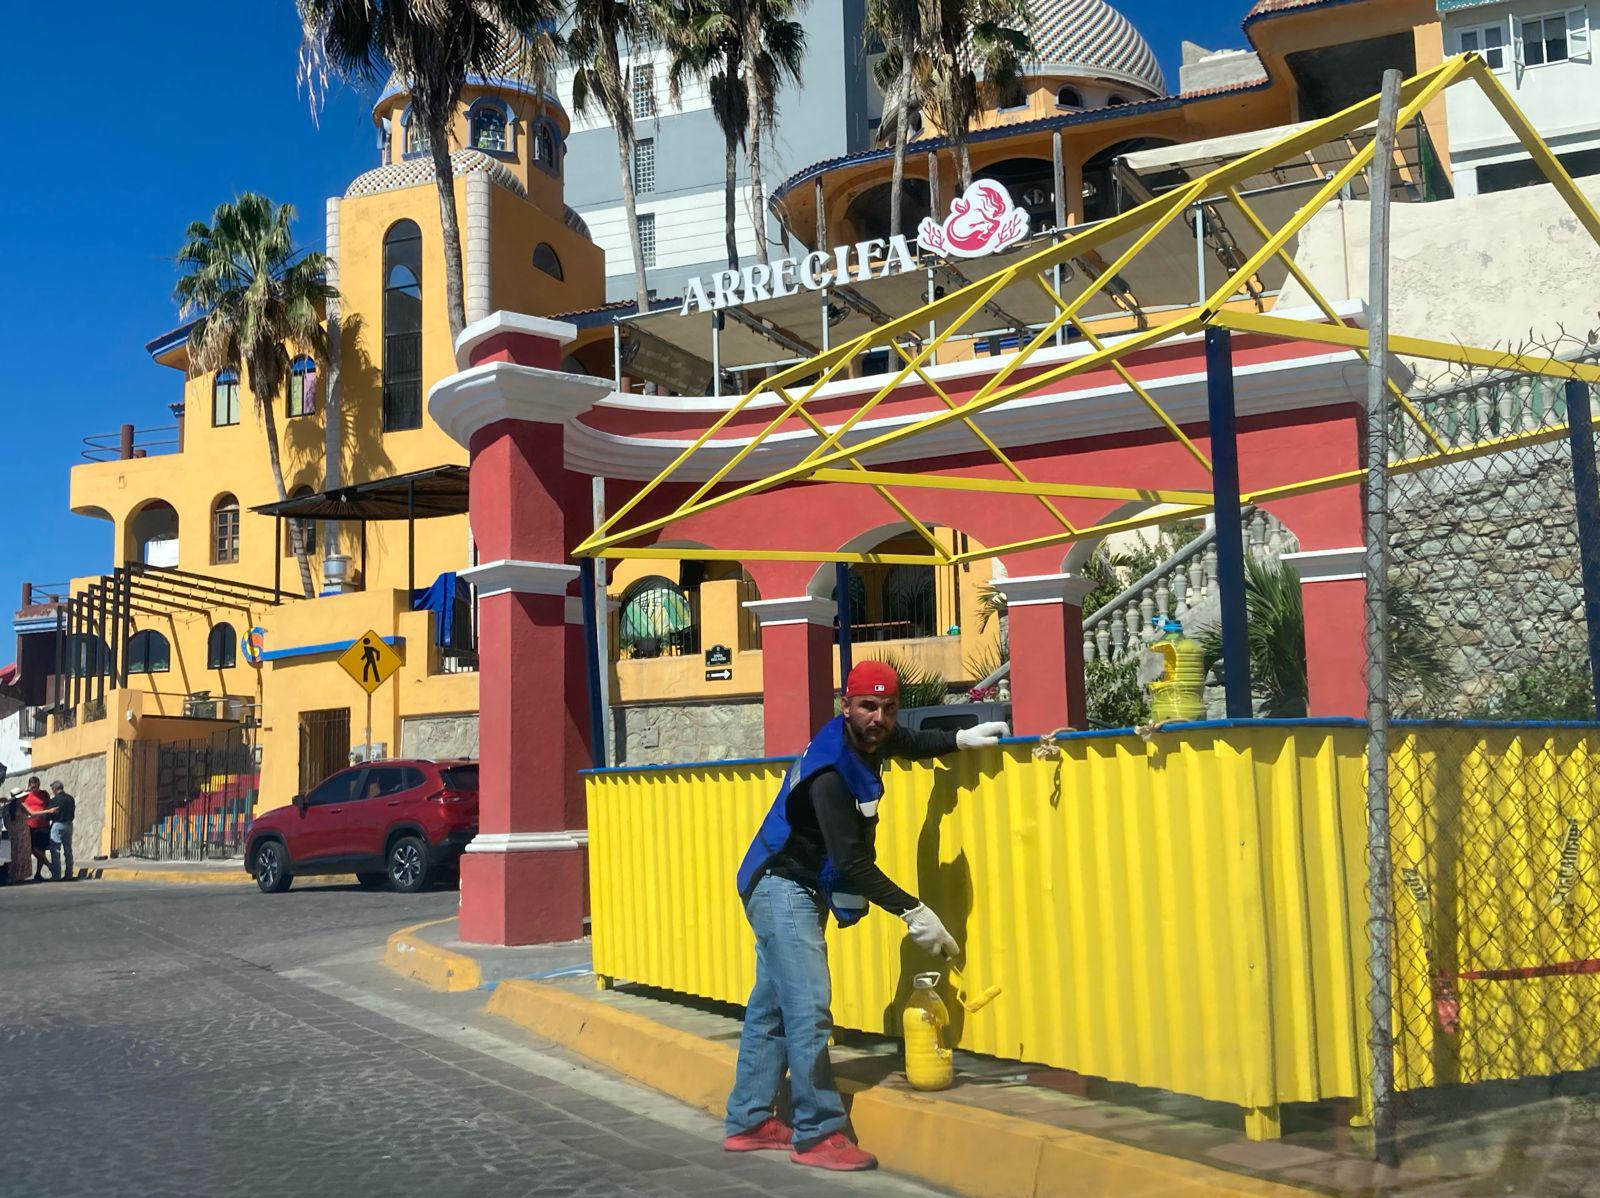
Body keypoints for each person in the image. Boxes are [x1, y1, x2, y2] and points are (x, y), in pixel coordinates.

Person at [723, 660, 1008, 1172]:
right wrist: (914, 911)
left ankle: (748, 1121)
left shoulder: (867, 739)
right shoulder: (831, 772)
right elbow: (853, 864)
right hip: (781, 886)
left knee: (772, 1008)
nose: (879, 717)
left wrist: (961, 740)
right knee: (809, 1008)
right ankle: (816, 1133)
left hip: (794, 885)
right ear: (846, 705)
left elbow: (910, 744)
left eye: (889, 708)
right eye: (868, 706)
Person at [42, 781, 76, 882]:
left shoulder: (54, 800)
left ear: (55, 789)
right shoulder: (70, 798)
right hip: (69, 824)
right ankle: (69, 873)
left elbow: (48, 816)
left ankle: (56, 875)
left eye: (52, 789)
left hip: (58, 825)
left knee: (55, 850)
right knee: (68, 849)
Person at [21, 776, 52, 882]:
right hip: (30, 826)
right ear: (29, 785)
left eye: (36, 785)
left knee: (41, 850)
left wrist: (46, 813)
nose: (34, 787)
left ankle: (38, 874)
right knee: (33, 849)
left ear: (39, 784)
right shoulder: (25, 795)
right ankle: (49, 865)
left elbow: (48, 806)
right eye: (32, 785)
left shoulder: (44, 794)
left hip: (43, 825)